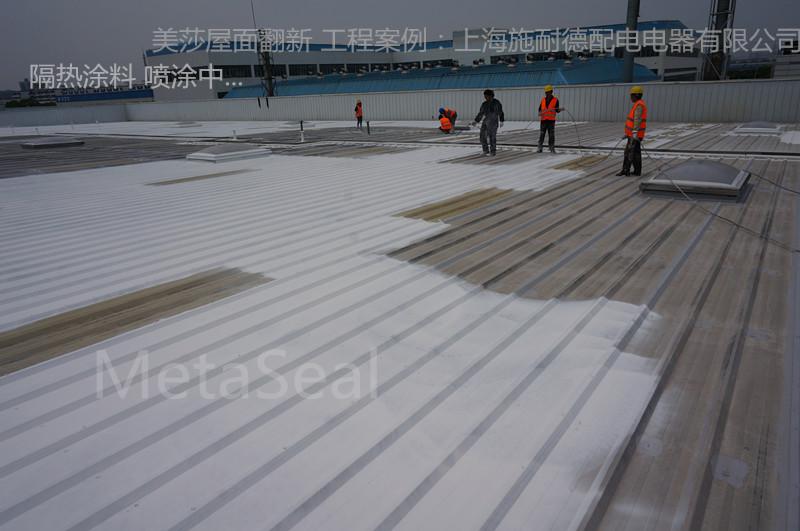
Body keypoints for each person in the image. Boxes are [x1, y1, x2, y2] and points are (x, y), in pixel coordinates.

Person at [617, 86, 648, 176]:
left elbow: (637, 119)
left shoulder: (639, 105)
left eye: (631, 95)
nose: (630, 97)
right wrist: (628, 133)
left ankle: (626, 170)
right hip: (635, 134)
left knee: (629, 152)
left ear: (636, 95)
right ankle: (637, 171)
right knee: (635, 153)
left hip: (635, 135)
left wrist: (634, 132)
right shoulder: (638, 104)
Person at [471, 89, 504, 156]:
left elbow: (500, 112)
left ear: (491, 95)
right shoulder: (484, 104)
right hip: (486, 121)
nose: (485, 97)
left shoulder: (496, 103)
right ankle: (485, 150)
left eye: (486, 96)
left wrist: (501, 120)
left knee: (492, 137)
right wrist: (476, 121)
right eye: (485, 96)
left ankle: (493, 151)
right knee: (482, 136)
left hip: (494, 121)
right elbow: (481, 113)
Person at [537, 85, 561, 153]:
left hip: (551, 121)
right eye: (546, 92)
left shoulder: (555, 100)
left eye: (548, 92)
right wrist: (540, 113)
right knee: (542, 134)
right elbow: (539, 109)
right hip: (543, 121)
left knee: (551, 135)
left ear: (551, 92)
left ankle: (551, 147)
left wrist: (559, 110)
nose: (547, 93)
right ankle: (540, 147)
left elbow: (557, 110)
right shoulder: (543, 100)